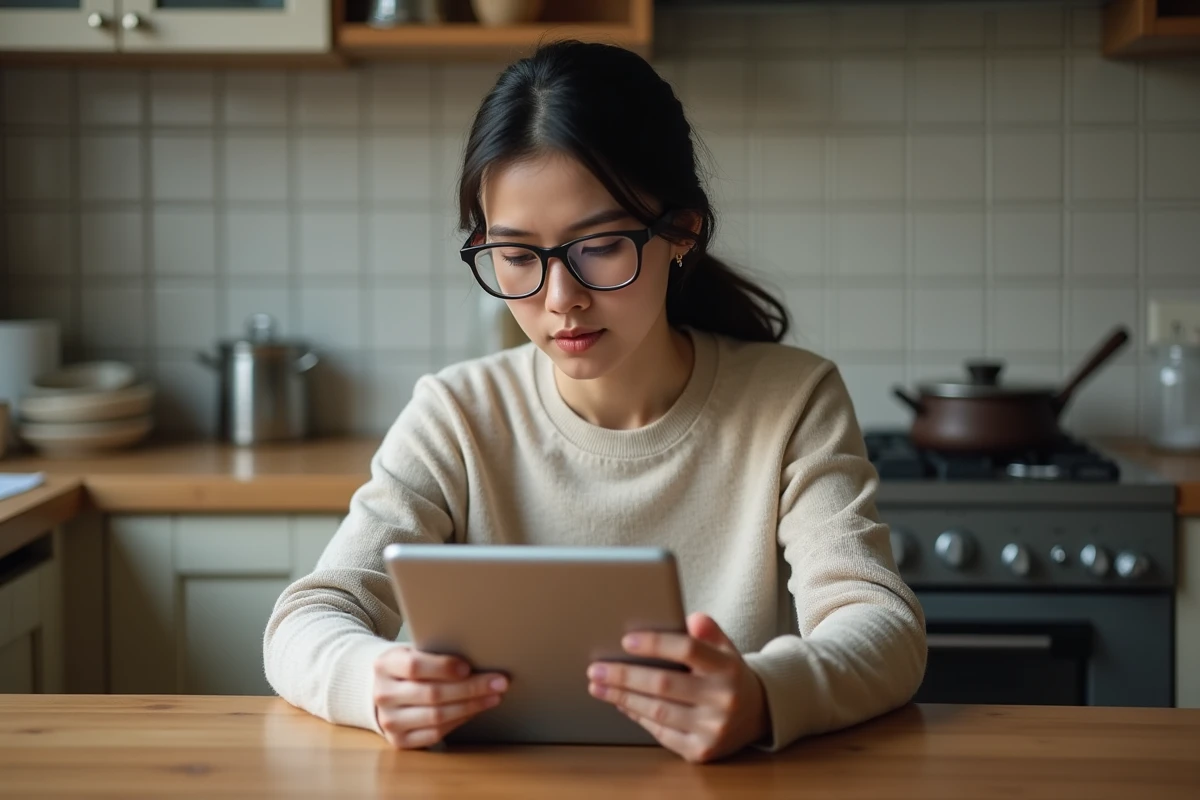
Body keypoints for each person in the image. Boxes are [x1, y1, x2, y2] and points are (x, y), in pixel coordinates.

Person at [264, 39, 926, 764]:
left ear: (682, 232)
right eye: (518, 256)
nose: (560, 301)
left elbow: (882, 627)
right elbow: (308, 616)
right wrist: (369, 681)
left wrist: (764, 695)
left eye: (600, 246)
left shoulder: (793, 401)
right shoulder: (456, 414)